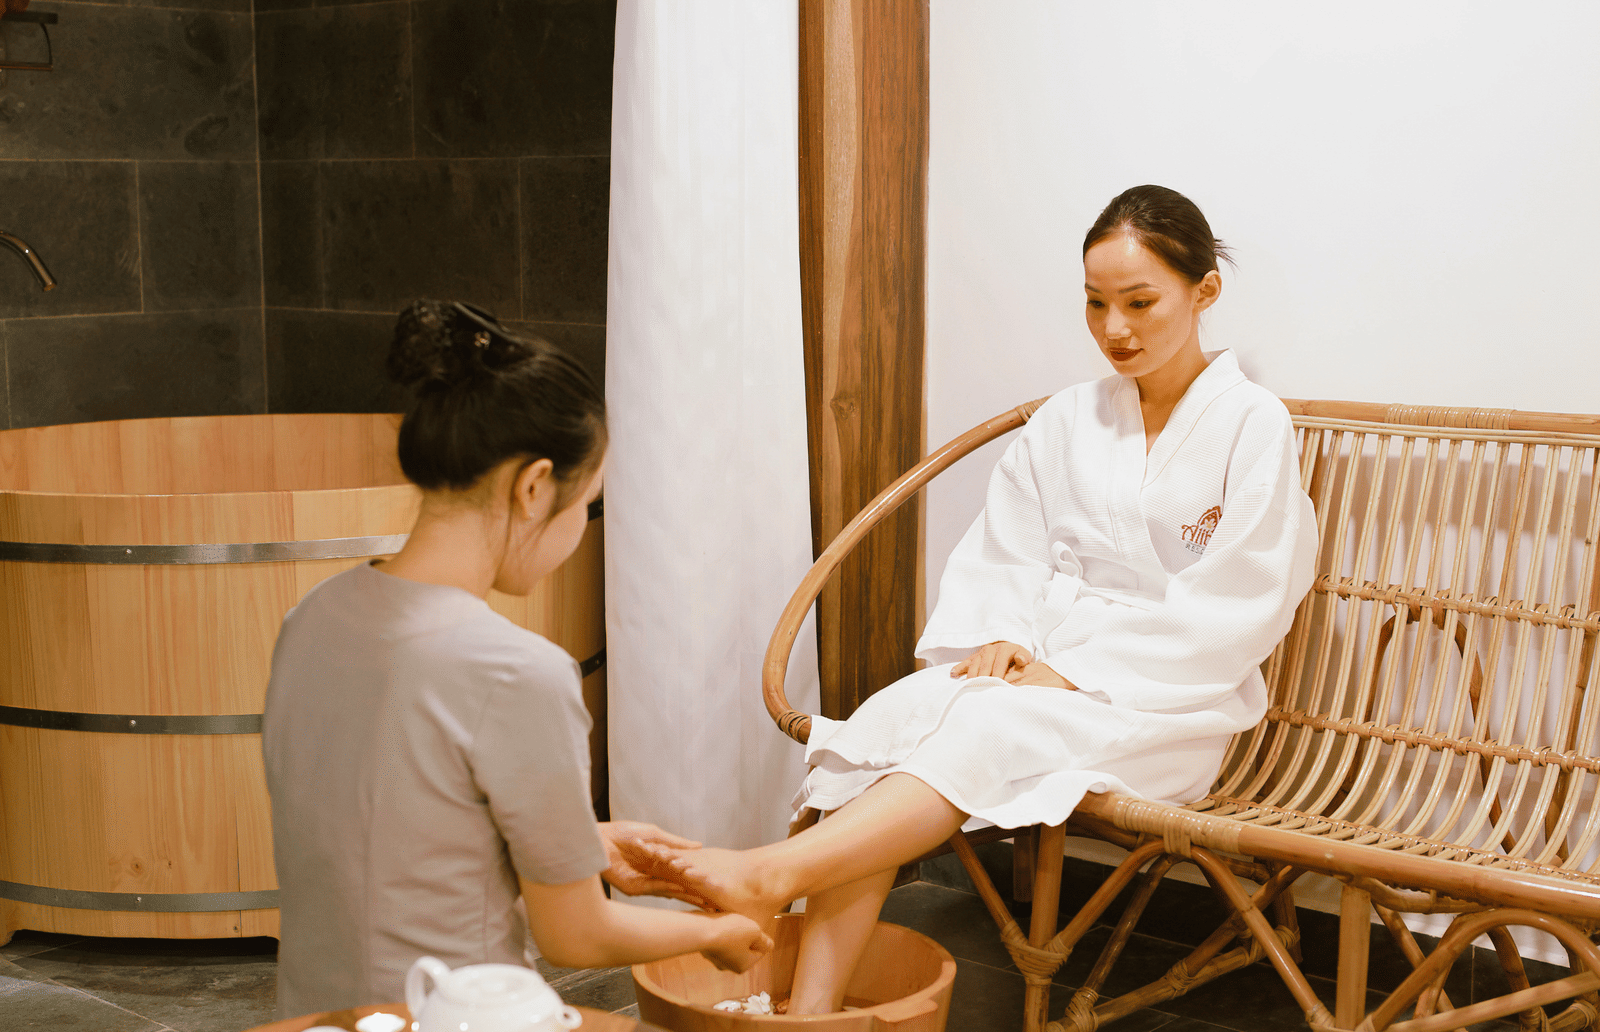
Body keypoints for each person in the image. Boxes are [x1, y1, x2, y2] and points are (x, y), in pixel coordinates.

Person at [635, 185, 1320, 1014]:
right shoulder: (1068, 419)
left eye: (1141, 303)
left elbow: (1241, 599)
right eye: (1096, 304)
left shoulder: (1251, 425)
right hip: (1035, 665)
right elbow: (1008, 550)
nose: (1115, 330)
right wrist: (998, 635)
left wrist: (1076, 673)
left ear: (1204, 292)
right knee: (895, 716)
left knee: (990, 723)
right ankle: (808, 1013)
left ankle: (773, 873)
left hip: (1166, 700)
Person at [261, 301, 771, 1019]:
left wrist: (573, 839)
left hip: (314, 1016)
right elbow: (577, 935)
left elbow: (375, 829)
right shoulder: (515, 671)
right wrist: (714, 932)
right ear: (533, 488)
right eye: (585, 505)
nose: (577, 534)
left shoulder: (310, 617)